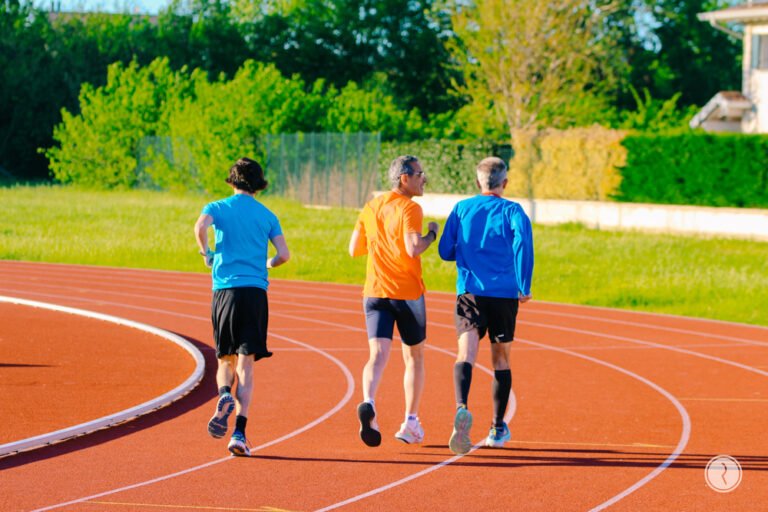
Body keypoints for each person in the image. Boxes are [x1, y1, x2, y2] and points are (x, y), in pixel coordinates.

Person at [437, 156, 534, 455]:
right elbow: (523, 244)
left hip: (469, 292)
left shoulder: (462, 208)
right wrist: (524, 284)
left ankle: (461, 407)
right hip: (504, 294)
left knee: (465, 353)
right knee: (501, 360)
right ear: (505, 183)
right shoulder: (513, 210)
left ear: (478, 182)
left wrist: (468, 253)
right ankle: (496, 428)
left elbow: (444, 251)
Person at [194, 157, 290, 457]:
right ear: (258, 185)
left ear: (231, 181)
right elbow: (284, 254)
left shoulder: (217, 208)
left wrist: (206, 252)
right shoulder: (267, 214)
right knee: (246, 365)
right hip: (254, 293)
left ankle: (224, 394)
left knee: (225, 359)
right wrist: (269, 263)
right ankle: (239, 432)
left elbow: (200, 227)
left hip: (224, 291)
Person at [348, 155, 439, 447]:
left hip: (374, 291)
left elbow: (354, 249)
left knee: (377, 356)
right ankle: (411, 422)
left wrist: (382, 244)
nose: (424, 178)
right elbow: (414, 248)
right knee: (414, 357)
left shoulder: (372, 206)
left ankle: (369, 402)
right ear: (404, 178)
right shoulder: (411, 208)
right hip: (407, 293)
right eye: (420, 174)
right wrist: (432, 234)